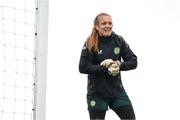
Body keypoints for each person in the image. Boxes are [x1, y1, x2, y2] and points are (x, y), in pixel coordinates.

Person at [79, 12, 137, 120]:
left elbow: (133, 61)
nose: (108, 26)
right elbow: (83, 67)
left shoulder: (119, 40)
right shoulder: (90, 42)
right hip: (97, 94)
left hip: (117, 92)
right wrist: (104, 68)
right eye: (104, 23)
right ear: (97, 26)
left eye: (110, 23)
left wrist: (119, 65)